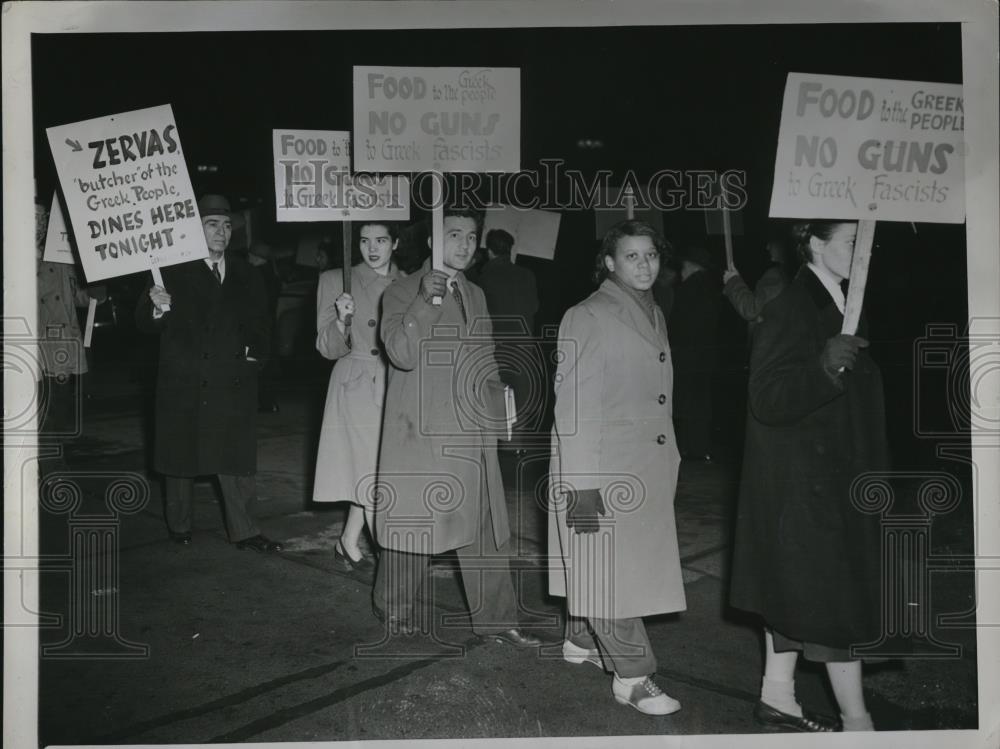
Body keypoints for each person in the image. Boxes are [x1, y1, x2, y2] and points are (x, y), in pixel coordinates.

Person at [729, 220, 886, 732]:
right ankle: (858, 723)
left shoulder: (843, 301)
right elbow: (766, 398)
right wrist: (821, 368)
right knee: (833, 604)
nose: (862, 251)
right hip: (807, 486)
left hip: (832, 476)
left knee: (793, 594)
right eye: (850, 241)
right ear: (815, 244)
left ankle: (777, 697)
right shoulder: (790, 307)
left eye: (865, 242)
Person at [371, 207, 541, 648]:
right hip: (422, 430)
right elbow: (402, 353)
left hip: (473, 431)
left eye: (471, 236)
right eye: (453, 235)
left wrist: (500, 403)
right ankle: (395, 607)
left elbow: (484, 359)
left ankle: (498, 617)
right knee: (416, 521)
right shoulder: (401, 290)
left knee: (485, 525)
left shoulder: (477, 293)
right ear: (431, 240)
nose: (465, 244)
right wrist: (426, 301)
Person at [548, 220, 686, 716]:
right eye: (631, 256)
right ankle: (633, 677)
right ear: (609, 263)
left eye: (650, 255)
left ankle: (581, 638)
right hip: (602, 469)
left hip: (643, 463)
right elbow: (574, 406)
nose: (644, 265)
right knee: (608, 573)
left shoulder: (650, 311)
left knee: (604, 566)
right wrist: (581, 486)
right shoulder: (588, 315)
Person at [135, 194, 282, 552]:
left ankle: (245, 530)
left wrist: (255, 358)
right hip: (185, 379)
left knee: (236, 457)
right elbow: (144, 326)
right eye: (212, 224)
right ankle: (179, 524)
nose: (222, 232)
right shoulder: (169, 271)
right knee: (181, 456)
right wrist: (156, 308)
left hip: (233, 379)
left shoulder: (247, 272)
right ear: (193, 229)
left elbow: (263, 324)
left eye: (227, 225)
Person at [313, 221, 403, 580]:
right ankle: (389, 558)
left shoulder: (411, 282)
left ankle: (348, 541)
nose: (372, 248)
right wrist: (340, 321)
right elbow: (325, 348)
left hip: (396, 382)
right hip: (355, 383)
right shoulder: (337, 279)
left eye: (381, 240)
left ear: (395, 242)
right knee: (372, 472)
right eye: (364, 241)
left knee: (375, 469)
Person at [36, 200, 104, 436]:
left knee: (59, 416)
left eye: (43, 218)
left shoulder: (60, 255)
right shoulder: (15, 256)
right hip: (36, 351)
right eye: (33, 217)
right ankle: (52, 471)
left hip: (62, 349)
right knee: (41, 419)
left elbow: (73, 297)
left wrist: (94, 294)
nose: (40, 224)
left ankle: (53, 469)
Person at [468, 228, 540, 452]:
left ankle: (496, 447)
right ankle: (516, 446)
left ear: (488, 251)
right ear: (511, 250)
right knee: (521, 395)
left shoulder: (481, 278)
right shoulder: (527, 275)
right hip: (523, 345)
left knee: (496, 396)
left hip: (496, 347)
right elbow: (534, 307)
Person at [667, 244, 721, 461]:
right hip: (705, 353)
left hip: (687, 354)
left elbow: (679, 325)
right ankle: (698, 447)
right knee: (699, 402)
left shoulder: (689, 289)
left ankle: (689, 448)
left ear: (689, 265)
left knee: (687, 403)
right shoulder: (709, 287)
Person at [722, 237, 792, 325]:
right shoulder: (791, 275)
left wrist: (732, 281)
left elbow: (752, 309)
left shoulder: (778, 275)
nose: (768, 247)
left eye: (772, 241)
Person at [247, 241, 282, 413]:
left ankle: (263, 403)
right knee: (267, 366)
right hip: (270, 325)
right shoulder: (272, 275)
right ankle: (269, 402)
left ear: (254, 256)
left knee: (257, 364)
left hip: (257, 326)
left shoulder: (255, 275)